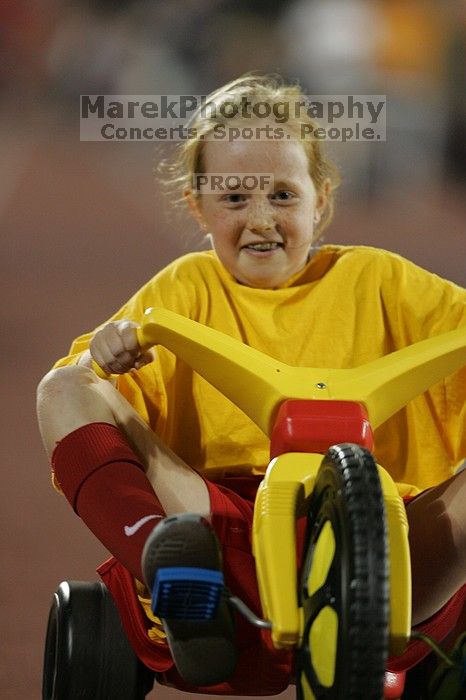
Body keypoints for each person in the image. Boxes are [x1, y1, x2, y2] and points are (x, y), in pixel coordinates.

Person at [36, 73, 466, 695]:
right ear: (198, 205)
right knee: (63, 388)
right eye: (234, 198)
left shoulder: (381, 280)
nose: (260, 218)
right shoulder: (187, 288)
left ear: (322, 197)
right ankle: (165, 565)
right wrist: (110, 350)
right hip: (220, 534)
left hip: (387, 546)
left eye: (283, 195)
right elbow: (88, 380)